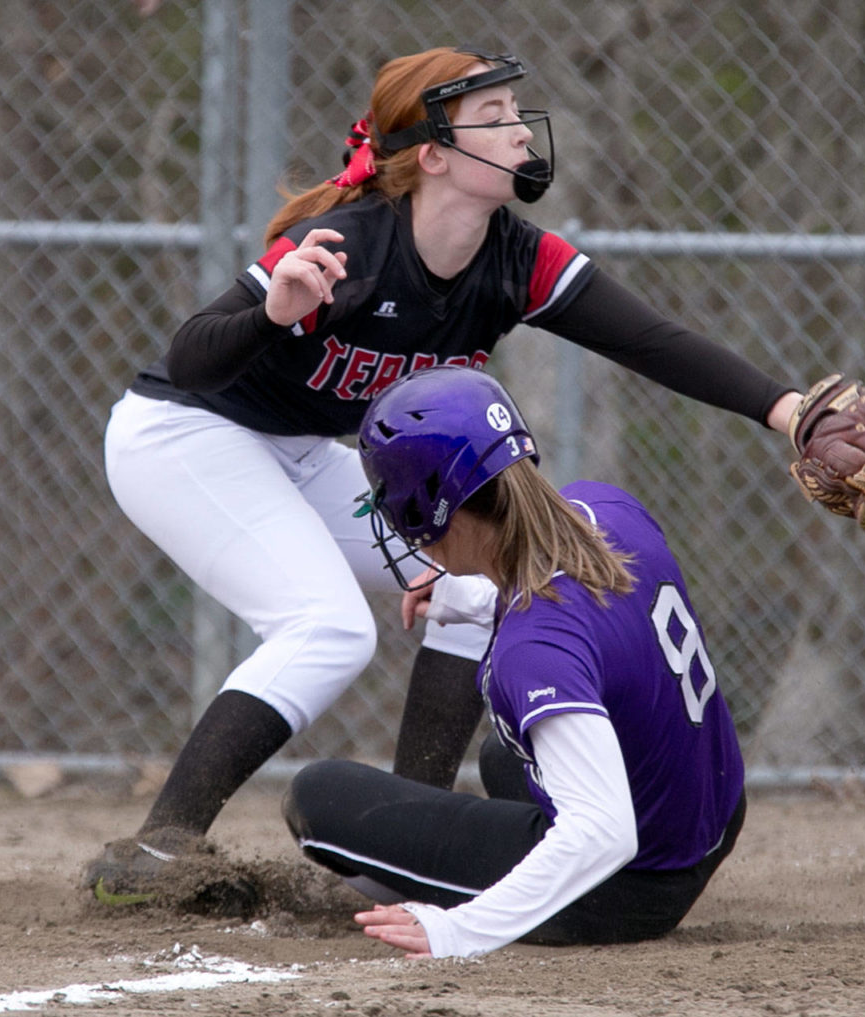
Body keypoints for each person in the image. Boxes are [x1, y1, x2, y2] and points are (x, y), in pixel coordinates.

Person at [84, 44, 801, 904]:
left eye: (513, 116)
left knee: (471, 584)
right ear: (432, 154)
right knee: (329, 627)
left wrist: (787, 411)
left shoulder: (512, 260)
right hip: (184, 434)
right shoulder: (352, 244)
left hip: (301, 450)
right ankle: (157, 853)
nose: (518, 135)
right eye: (492, 120)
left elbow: (649, 341)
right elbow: (189, 358)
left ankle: (394, 852)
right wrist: (274, 312)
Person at [282, 365, 746, 958]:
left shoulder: (532, 648)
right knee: (505, 757)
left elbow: (603, 832)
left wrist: (459, 931)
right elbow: (600, 616)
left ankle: (454, 905)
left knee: (320, 798)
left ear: (428, 507)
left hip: (632, 884)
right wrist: (475, 596)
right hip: (713, 816)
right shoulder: (603, 505)